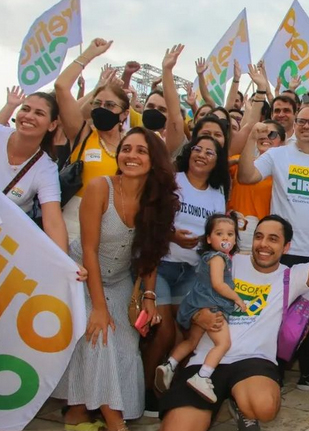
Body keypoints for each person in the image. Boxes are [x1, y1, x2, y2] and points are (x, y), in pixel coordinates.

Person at [160, 187, 309, 431]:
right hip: (205, 361)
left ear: (286, 247)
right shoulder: (226, 262)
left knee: (264, 408)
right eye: (259, 236)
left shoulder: (291, 277)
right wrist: (199, 314)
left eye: (273, 239)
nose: (264, 244)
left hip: (253, 361)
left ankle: (240, 405)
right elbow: (190, 303)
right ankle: (223, 397)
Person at [54, 127, 179, 431]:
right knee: (100, 334)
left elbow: (151, 254)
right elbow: (89, 250)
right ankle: (115, 423)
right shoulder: (100, 187)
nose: (131, 156)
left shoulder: (158, 200)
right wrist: (99, 307)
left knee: (125, 342)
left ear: (154, 160)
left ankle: (79, 412)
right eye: (126, 149)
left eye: (140, 151)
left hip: (122, 278)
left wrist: (149, 297)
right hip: (82, 275)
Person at [237, 111, 309, 395]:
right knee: (275, 315)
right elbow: (246, 177)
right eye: (302, 121)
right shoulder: (277, 155)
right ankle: (272, 372)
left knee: (307, 320)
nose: (307, 126)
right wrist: (250, 139)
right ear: (295, 126)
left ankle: (308, 373)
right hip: (281, 252)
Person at [143, 136, 228, 414]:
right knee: (163, 331)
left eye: (210, 152)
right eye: (197, 149)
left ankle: (171, 389)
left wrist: (207, 242)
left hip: (194, 271)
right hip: (163, 267)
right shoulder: (172, 181)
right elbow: (150, 222)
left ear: (217, 162)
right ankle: (147, 394)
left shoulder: (217, 194)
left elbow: (216, 234)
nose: (202, 155)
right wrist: (173, 237)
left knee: (188, 333)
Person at [156, 214, 247, 402]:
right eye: (219, 233)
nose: (225, 238)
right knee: (223, 344)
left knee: (192, 342)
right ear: (208, 238)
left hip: (199, 304)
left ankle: (169, 365)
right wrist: (237, 298)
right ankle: (203, 376)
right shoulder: (218, 259)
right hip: (212, 306)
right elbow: (218, 284)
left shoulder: (208, 257)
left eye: (230, 234)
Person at [54, 38, 127, 242]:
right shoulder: (83, 134)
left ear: (124, 114)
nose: (103, 109)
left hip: (113, 228)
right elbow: (61, 86)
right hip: (71, 225)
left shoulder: (131, 147)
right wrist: (90, 54)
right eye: (98, 103)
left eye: (110, 105)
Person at [0, 91, 68, 250]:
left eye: (39, 113)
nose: (29, 116)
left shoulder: (46, 168)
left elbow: (53, 222)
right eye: (25, 109)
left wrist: (66, 265)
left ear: (52, 125)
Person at [229, 120, 285, 253]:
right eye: (261, 133)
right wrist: (239, 160)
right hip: (233, 239)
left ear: (282, 142)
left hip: (262, 241)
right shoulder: (241, 162)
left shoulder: (284, 172)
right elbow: (214, 169)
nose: (265, 137)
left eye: (271, 134)